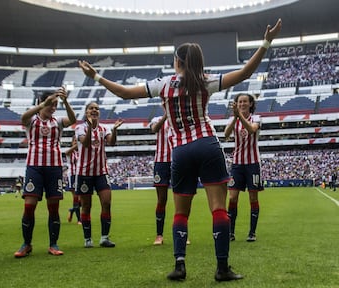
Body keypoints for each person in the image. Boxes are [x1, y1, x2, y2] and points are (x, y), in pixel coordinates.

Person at [78, 18, 282, 282]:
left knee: (180, 211)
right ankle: (222, 268)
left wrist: (95, 75)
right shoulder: (205, 81)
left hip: (181, 150)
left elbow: (125, 93)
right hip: (207, 145)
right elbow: (244, 74)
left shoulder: (164, 84)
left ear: (178, 61)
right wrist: (266, 41)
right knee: (218, 208)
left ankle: (180, 265)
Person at [14, 87, 76, 258]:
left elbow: (73, 119)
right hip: (34, 167)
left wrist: (65, 101)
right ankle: (26, 244)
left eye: (55, 105)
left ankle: (53, 244)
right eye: (51, 104)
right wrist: (43, 103)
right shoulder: (32, 121)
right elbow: (23, 117)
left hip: (54, 168)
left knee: (53, 208)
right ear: (42, 103)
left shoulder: (58, 122)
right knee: (29, 206)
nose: (53, 108)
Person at [75, 101, 123, 248]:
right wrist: (90, 127)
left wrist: (114, 130)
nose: (94, 110)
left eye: (97, 108)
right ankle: (88, 239)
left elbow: (112, 143)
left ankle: (104, 238)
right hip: (84, 173)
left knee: (107, 203)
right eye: (91, 108)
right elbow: (87, 143)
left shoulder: (104, 128)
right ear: (86, 112)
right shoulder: (79, 128)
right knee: (86, 206)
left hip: (101, 172)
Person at [224, 93, 264, 242]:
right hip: (237, 164)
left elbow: (252, 130)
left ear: (251, 104)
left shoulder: (257, 118)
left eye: (245, 101)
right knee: (233, 197)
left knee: (253, 197)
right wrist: (235, 117)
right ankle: (230, 232)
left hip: (253, 164)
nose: (242, 104)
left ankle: (252, 232)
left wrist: (239, 116)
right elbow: (226, 135)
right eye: (239, 102)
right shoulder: (232, 119)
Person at [150, 113, 173, 245]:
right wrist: (165, 116)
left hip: (178, 160)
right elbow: (154, 129)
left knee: (180, 199)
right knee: (161, 199)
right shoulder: (156, 119)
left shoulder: (179, 116)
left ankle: (182, 233)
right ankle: (159, 235)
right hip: (161, 162)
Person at [65, 135, 81, 224]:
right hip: (73, 175)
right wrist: (77, 145)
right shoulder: (71, 152)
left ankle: (72, 210)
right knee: (76, 197)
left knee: (82, 200)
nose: (75, 141)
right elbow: (66, 152)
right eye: (74, 140)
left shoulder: (81, 152)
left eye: (77, 140)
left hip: (81, 175)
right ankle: (79, 220)